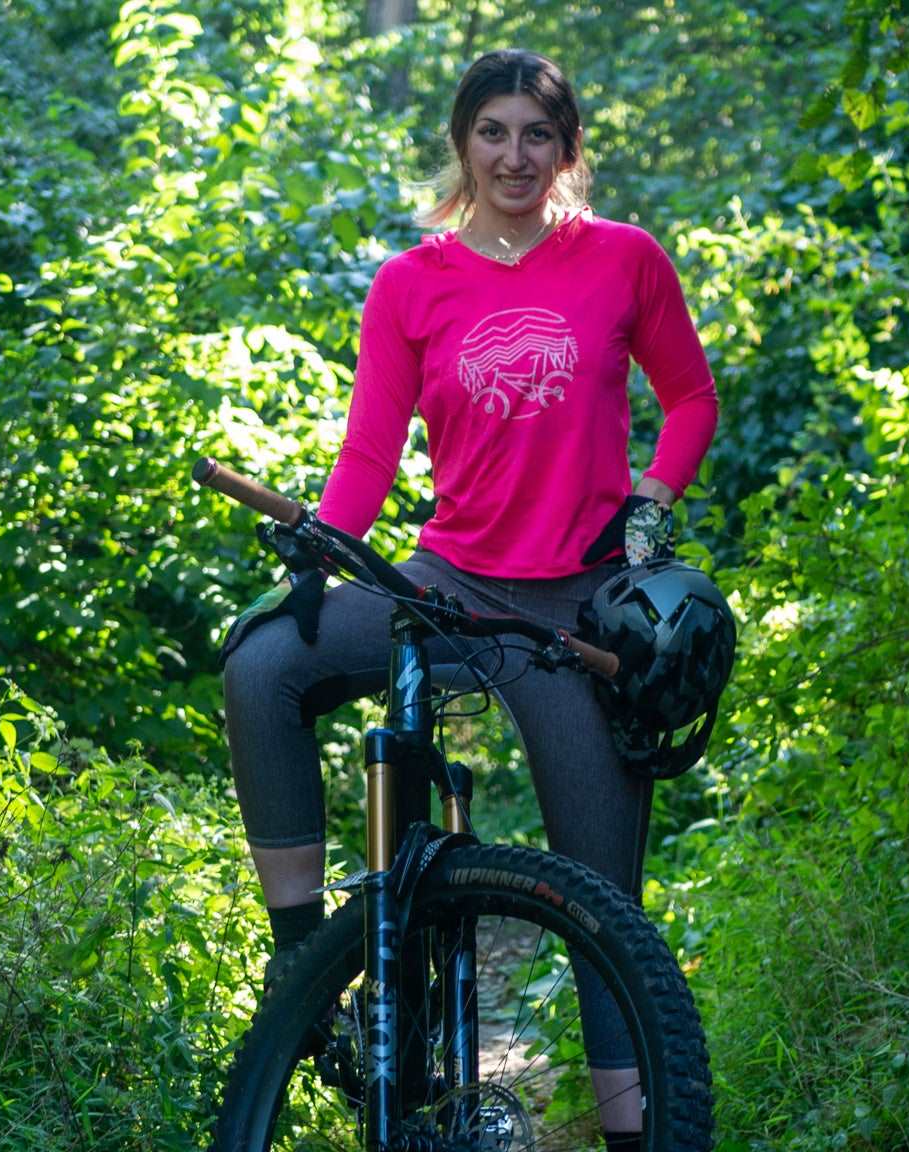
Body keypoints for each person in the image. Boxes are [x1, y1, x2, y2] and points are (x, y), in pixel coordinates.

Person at [219, 48, 716, 1150]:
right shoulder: (410, 283)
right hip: (444, 590)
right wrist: (319, 547)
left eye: (536, 135)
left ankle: (643, 1135)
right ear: (461, 143)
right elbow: (365, 460)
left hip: (577, 615)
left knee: (603, 910)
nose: (512, 155)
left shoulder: (624, 262)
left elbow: (689, 398)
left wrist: (652, 499)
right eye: (491, 132)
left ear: (566, 151)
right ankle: (300, 964)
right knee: (262, 662)